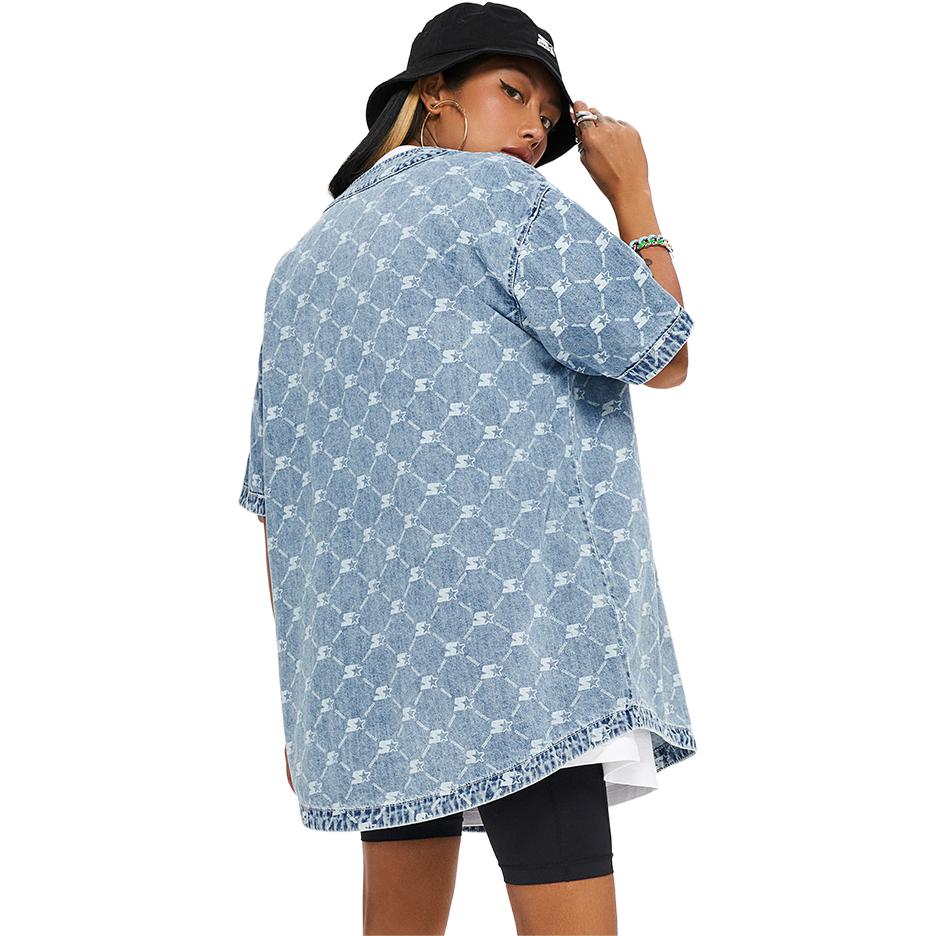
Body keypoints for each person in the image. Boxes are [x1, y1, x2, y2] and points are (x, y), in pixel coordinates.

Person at [238, 4, 698, 933]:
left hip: (374, 678)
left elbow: (280, 499)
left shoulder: (302, 264)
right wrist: (635, 195)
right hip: (523, 652)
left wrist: (307, 703)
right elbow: (661, 349)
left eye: (550, 118)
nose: (533, 129)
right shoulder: (496, 198)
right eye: (513, 92)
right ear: (433, 95)